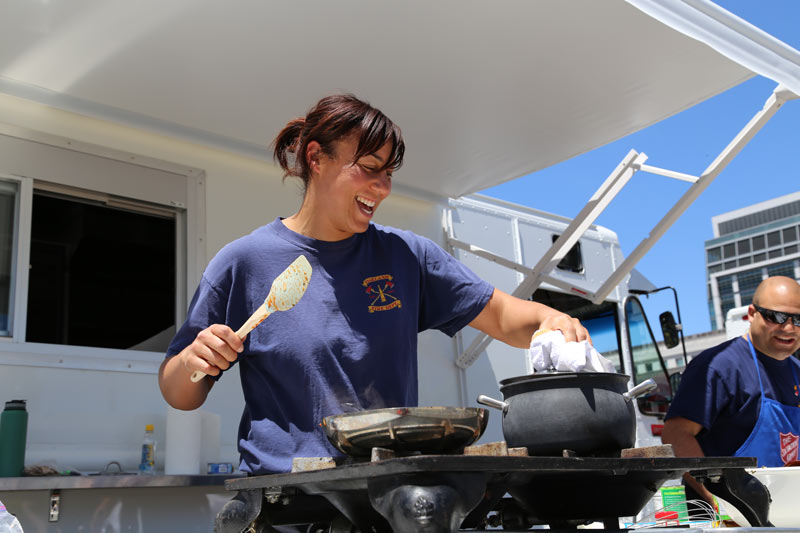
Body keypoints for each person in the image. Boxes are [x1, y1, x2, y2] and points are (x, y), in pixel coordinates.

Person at [158, 93, 590, 476]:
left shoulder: (407, 256)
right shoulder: (245, 261)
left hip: (386, 493)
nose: (381, 188)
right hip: (286, 501)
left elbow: (501, 316)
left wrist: (550, 319)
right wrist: (196, 359)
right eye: (368, 169)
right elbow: (179, 392)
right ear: (316, 158)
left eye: (388, 173)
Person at [661, 275, 800, 505]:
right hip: (728, 518)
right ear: (752, 313)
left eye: (798, 319)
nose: (788, 327)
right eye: (776, 316)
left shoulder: (797, 370)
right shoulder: (718, 366)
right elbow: (676, 434)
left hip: (787, 511)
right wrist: (720, 503)